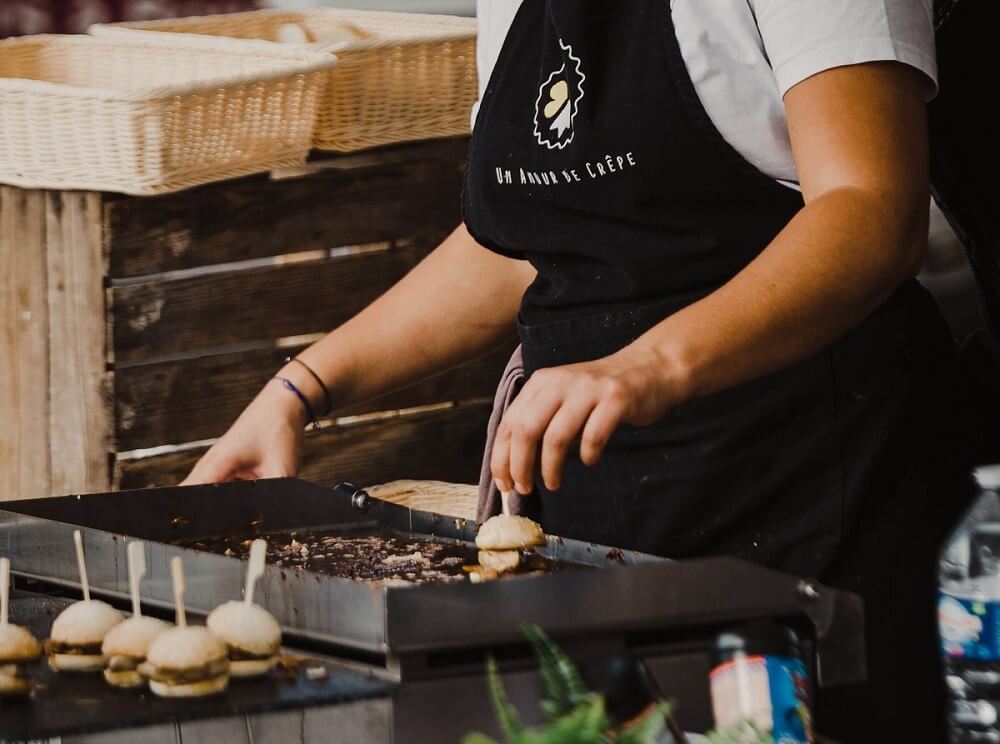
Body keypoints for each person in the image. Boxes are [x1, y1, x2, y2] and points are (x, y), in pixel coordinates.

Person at [184, 1, 974, 739]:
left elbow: (871, 207)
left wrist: (646, 365)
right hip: (602, 530)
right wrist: (299, 390)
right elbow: (523, 241)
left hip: (817, 490)